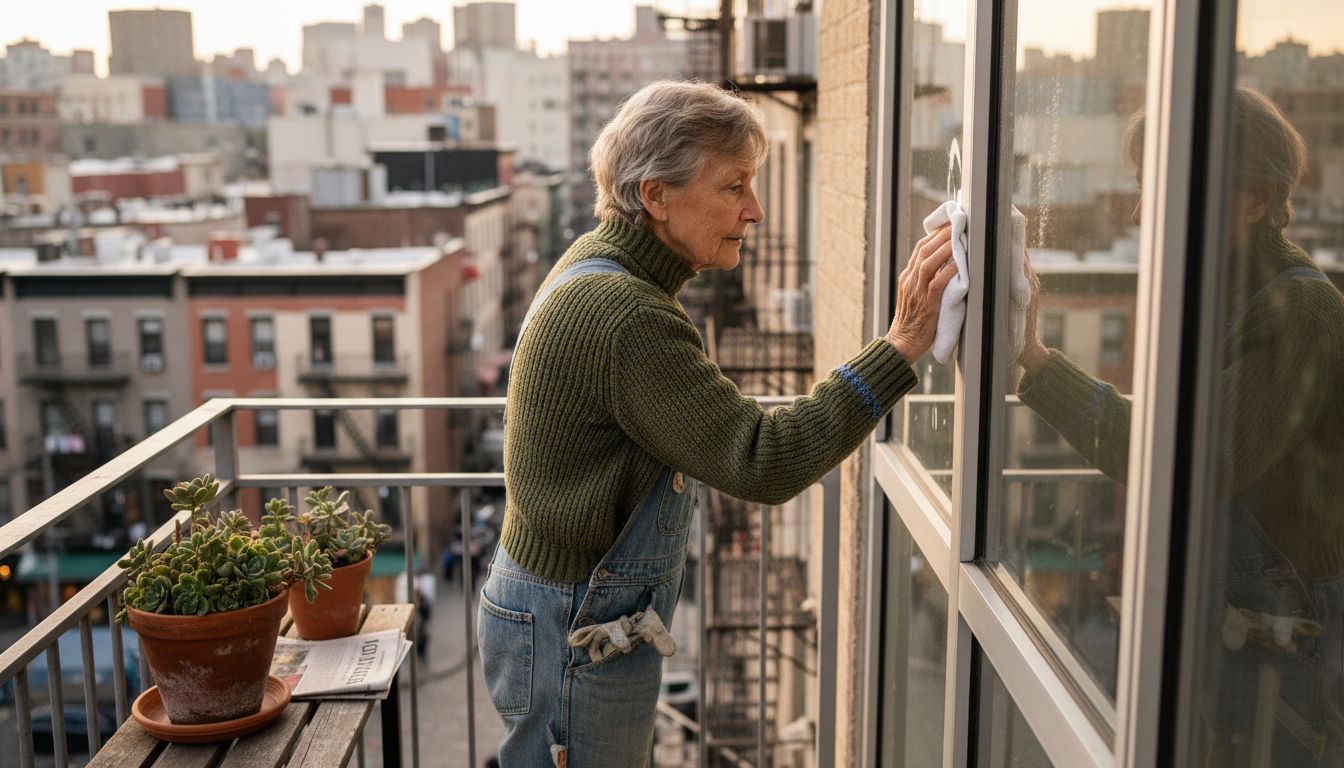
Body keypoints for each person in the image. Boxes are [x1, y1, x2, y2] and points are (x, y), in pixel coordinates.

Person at [476, 80, 958, 767]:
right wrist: (903, 342)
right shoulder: (627, 315)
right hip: (572, 630)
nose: (755, 210)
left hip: (559, 616)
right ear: (656, 195)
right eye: (734, 186)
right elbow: (765, 459)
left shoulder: (599, 266)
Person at [1016, 86, 1344, 766]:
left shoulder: (1296, 311)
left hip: (1284, 641)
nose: (1141, 211)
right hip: (1250, 622)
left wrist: (1038, 364)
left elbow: (1188, 463)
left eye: (1164, 186)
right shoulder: (1223, 295)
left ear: (1253, 200)